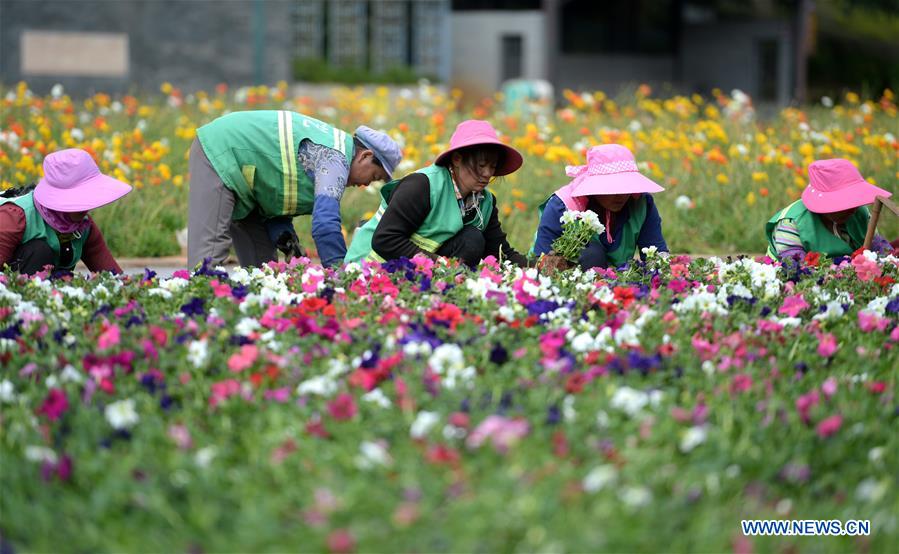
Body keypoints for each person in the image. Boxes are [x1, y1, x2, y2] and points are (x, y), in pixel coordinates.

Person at [188, 110, 402, 268]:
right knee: (208, 260)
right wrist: (339, 274)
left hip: (248, 184)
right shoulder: (335, 159)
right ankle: (195, 323)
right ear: (365, 156)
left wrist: (286, 238)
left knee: (264, 273)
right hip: (221, 150)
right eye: (374, 177)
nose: (366, 185)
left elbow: (275, 196)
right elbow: (325, 225)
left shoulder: (332, 152)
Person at [345, 119, 529, 267]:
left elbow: (500, 253)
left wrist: (539, 266)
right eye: (481, 165)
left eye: (492, 166)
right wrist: (439, 265)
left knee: (472, 238)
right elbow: (386, 240)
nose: (488, 173)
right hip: (370, 267)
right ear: (457, 159)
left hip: (419, 267)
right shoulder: (422, 185)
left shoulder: (484, 202)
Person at [532, 144, 668, 270]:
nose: (621, 195)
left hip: (620, 280)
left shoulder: (641, 203)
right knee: (592, 254)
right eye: (611, 188)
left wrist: (663, 275)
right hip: (573, 280)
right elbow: (543, 263)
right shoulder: (562, 206)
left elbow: (655, 254)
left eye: (626, 186)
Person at [0, 149, 131, 274]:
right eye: (79, 196)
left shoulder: (83, 226)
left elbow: (113, 275)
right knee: (39, 250)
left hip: (47, 293)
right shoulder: (14, 217)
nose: (86, 205)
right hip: (12, 291)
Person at [766, 158, 893, 261]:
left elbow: (880, 248)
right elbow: (794, 268)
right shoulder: (791, 223)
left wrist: (890, 260)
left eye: (853, 200)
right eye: (842, 202)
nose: (852, 210)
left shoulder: (860, 213)